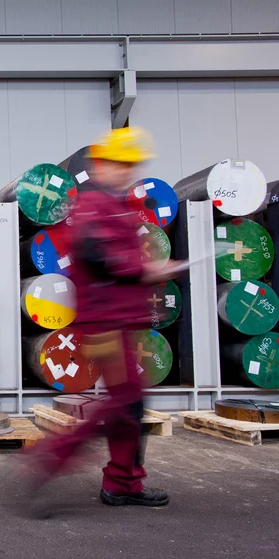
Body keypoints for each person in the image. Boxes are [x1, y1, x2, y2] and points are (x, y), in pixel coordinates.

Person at [25, 126, 186, 517]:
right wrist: (147, 269)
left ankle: (121, 481)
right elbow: (97, 256)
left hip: (118, 318)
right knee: (121, 404)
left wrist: (147, 268)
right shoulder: (96, 205)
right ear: (101, 163)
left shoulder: (117, 204)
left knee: (126, 405)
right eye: (119, 163)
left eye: (130, 165)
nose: (126, 171)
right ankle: (57, 463)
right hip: (106, 321)